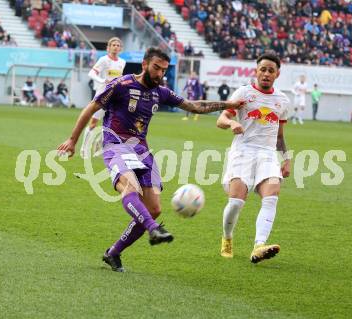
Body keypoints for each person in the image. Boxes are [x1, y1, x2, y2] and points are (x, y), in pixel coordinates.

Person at [57, 47, 244, 272]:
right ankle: (154, 229)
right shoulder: (121, 85)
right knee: (130, 188)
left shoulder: (161, 92)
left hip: (142, 151)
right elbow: (90, 108)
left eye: (164, 70)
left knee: (154, 208)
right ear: (145, 64)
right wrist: (72, 140)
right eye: (156, 68)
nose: (159, 74)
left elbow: (194, 106)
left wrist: (228, 105)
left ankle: (113, 253)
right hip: (115, 145)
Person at [216, 52, 291, 264]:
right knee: (236, 202)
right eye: (263, 69)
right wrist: (232, 123)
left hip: (267, 154)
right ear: (256, 71)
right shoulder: (243, 93)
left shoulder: (283, 101)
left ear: (277, 74)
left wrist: (286, 158)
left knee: (272, 195)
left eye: (271, 70)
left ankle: (259, 245)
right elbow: (221, 118)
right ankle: (227, 238)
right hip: (243, 151)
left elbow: (279, 135)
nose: (266, 74)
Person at [80, 37, 126, 158]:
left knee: (112, 124)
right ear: (109, 47)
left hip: (115, 97)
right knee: (93, 123)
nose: (116, 47)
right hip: (102, 95)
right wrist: (102, 81)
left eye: (118, 45)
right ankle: (84, 148)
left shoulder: (122, 62)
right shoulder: (103, 60)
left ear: (120, 48)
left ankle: (99, 144)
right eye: (113, 45)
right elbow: (91, 73)